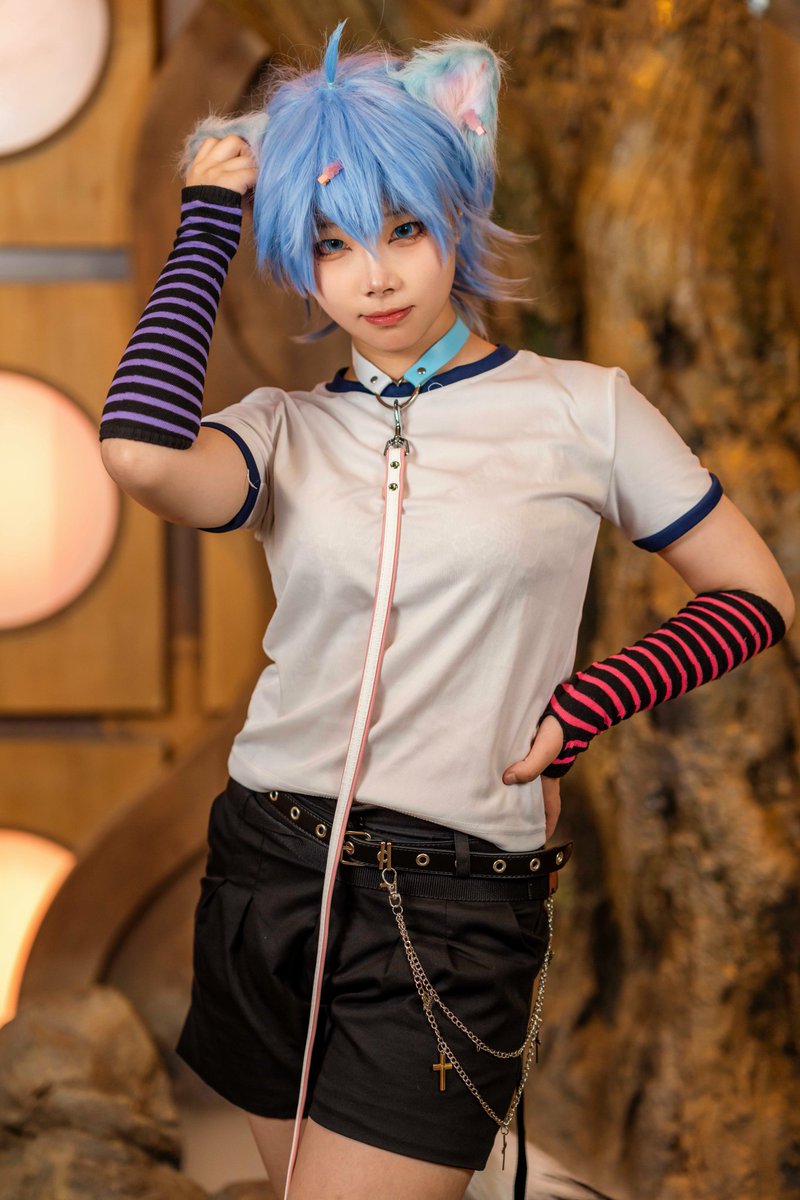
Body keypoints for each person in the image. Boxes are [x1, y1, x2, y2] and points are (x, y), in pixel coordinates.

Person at [98, 20, 794, 1200]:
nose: (372, 276)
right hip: (266, 870)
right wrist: (210, 213)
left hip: (455, 897)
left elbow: (754, 593)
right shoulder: (282, 429)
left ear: (455, 220)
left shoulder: (582, 410)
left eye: (403, 229)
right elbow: (138, 453)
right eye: (330, 243)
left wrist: (591, 699)